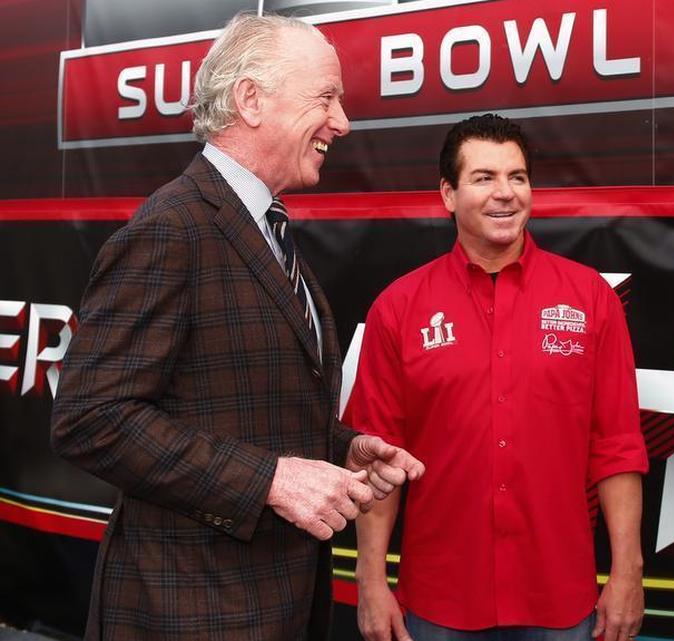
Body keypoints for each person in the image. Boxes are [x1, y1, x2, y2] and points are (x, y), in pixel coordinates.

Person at [50, 13, 424, 641]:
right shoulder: (171, 229)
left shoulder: (264, 227)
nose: (342, 122)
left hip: (273, 605)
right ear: (251, 99)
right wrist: (273, 480)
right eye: (326, 97)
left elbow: (234, 409)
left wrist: (340, 450)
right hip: (190, 613)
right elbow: (90, 418)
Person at [344, 114, 648, 641]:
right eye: (484, 178)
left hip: (560, 598)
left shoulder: (590, 298)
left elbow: (617, 446)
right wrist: (370, 580)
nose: (505, 194)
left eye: (518, 177)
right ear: (448, 193)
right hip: (439, 604)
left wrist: (628, 573)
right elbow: (379, 458)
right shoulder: (399, 307)